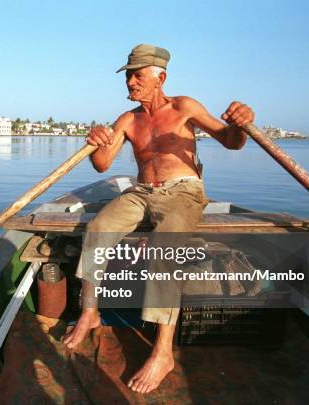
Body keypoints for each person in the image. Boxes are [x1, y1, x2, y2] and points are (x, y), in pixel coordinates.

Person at [62, 44, 255, 394]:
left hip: (183, 192)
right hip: (140, 192)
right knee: (98, 228)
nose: (131, 82)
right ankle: (90, 312)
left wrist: (240, 124)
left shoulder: (184, 107)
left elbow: (230, 140)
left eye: (138, 75)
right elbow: (103, 164)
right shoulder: (128, 119)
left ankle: (163, 352)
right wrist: (95, 143)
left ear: (160, 77)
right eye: (129, 75)